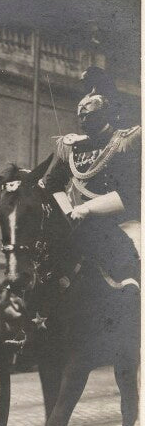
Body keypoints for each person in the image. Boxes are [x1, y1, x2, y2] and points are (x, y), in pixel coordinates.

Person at [44, 66, 140, 284]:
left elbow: (131, 192)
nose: (84, 121)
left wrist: (86, 208)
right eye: (82, 116)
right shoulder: (72, 146)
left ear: (105, 114)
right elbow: (52, 184)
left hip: (123, 220)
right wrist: (71, 213)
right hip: (82, 223)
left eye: (91, 116)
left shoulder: (126, 141)